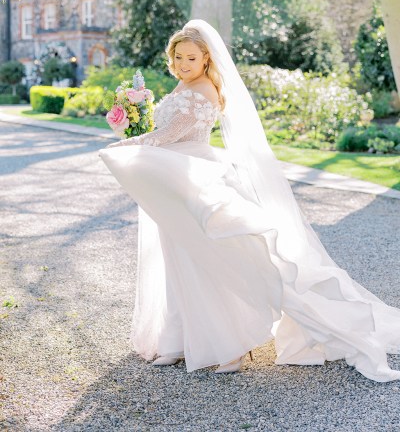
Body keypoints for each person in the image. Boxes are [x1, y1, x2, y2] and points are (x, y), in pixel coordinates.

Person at [99, 19, 400, 381]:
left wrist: (126, 144)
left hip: (196, 177)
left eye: (190, 58)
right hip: (173, 177)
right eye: (178, 57)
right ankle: (178, 339)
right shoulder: (184, 83)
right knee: (178, 258)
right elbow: (163, 131)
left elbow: (172, 134)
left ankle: (232, 344)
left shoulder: (206, 89)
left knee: (213, 259)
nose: (182, 64)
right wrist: (131, 127)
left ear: (207, 59)